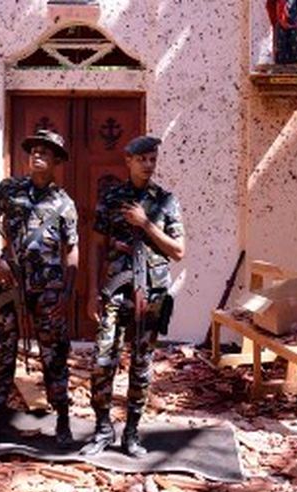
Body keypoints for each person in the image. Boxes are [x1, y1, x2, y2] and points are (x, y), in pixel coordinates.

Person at [81, 135, 185, 458]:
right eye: (142, 159)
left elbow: (179, 250)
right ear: (128, 160)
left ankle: (131, 433)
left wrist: (146, 224)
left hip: (150, 295)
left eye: (153, 159)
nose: (148, 165)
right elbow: (97, 245)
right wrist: (91, 292)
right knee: (102, 361)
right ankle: (102, 428)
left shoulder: (166, 201)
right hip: (114, 290)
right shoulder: (111, 198)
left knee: (142, 365)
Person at [0, 130, 79, 448]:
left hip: (48, 290)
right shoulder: (8, 190)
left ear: (57, 161)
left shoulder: (64, 203)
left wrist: (67, 292)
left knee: (55, 354)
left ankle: (62, 419)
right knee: (2, 351)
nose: (37, 155)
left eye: (45, 152)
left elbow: (72, 249)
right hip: (9, 284)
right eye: (33, 149)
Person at [265, 0, 297, 64]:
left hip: (293, 23)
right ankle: (281, 66)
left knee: (294, 45)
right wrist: (275, 21)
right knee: (281, 47)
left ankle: (295, 65)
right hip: (280, 23)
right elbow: (270, 5)